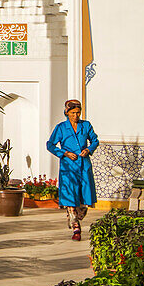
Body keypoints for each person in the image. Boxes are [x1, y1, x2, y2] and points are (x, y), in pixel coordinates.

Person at [46, 99, 99, 241]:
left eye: (78, 112)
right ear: (67, 113)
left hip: (84, 166)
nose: (76, 115)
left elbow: (95, 140)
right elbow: (50, 145)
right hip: (68, 167)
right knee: (70, 197)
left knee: (84, 199)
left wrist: (88, 149)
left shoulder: (86, 125)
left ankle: (75, 216)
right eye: (73, 113)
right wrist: (64, 153)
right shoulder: (61, 128)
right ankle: (76, 228)